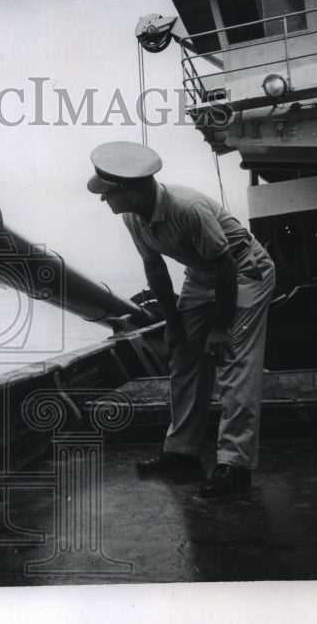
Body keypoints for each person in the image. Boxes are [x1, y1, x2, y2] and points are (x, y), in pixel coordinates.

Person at [87, 141, 275, 496]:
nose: (102, 199)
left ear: (129, 191)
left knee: (236, 362)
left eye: (107, 193)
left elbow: (226, 265)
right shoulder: (132, 216)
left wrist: (219, 328)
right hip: (202, 275)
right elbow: (155, 268)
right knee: (184, 358)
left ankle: (235, 465)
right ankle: (182, 452)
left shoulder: (187, 207)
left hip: (244, 270)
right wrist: (173, 326)